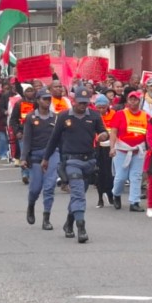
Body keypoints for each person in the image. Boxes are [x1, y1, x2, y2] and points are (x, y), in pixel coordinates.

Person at [42, 88, 108, 244]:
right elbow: (54, 138)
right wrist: (46, 158)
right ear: (73, 101)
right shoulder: (64, 116)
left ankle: (69, 222)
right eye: (80, 103)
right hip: (71, 161)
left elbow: (103, 132)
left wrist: (103, 135)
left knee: (79, 195)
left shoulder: (94, 115)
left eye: (86, 103)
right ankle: (81, 227)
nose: (83, 106)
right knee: (78, 194)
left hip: (89, 161)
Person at [22, 89, 59, 230]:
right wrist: (24, 157)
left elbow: (60, 138)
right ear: (38, 100)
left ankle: (46, 218)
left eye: (49, 99)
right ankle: (31, 205)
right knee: (35, 188)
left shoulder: (55, 118)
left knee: (49, 186)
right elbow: (27, 139)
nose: (47, 101)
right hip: (36, 155)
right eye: (44, 99)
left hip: (52, 154)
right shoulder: (31, 117)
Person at [109, 90, 148, 212]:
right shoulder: (120, 114)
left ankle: (134, 202)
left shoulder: (146, 116)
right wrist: (112, 148)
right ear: (127, 101)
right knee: (121, 177)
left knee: (136, 176)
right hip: (122, 150)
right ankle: (116, 194)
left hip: (138, 150)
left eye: (135, 99)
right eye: (131, 99)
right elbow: (114, 132)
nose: (133, 101)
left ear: (139, 101)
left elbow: (149, 134)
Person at [94, 94, 116, 208]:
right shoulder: (93, 116)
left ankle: (110, 194)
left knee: (110, 173)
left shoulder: (114, 115)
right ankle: (100, 198)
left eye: (103, 107)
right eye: (99, 107)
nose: (101, 109)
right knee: (99, 173)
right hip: (97, 147)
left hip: (110, 147)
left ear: (107, 106)